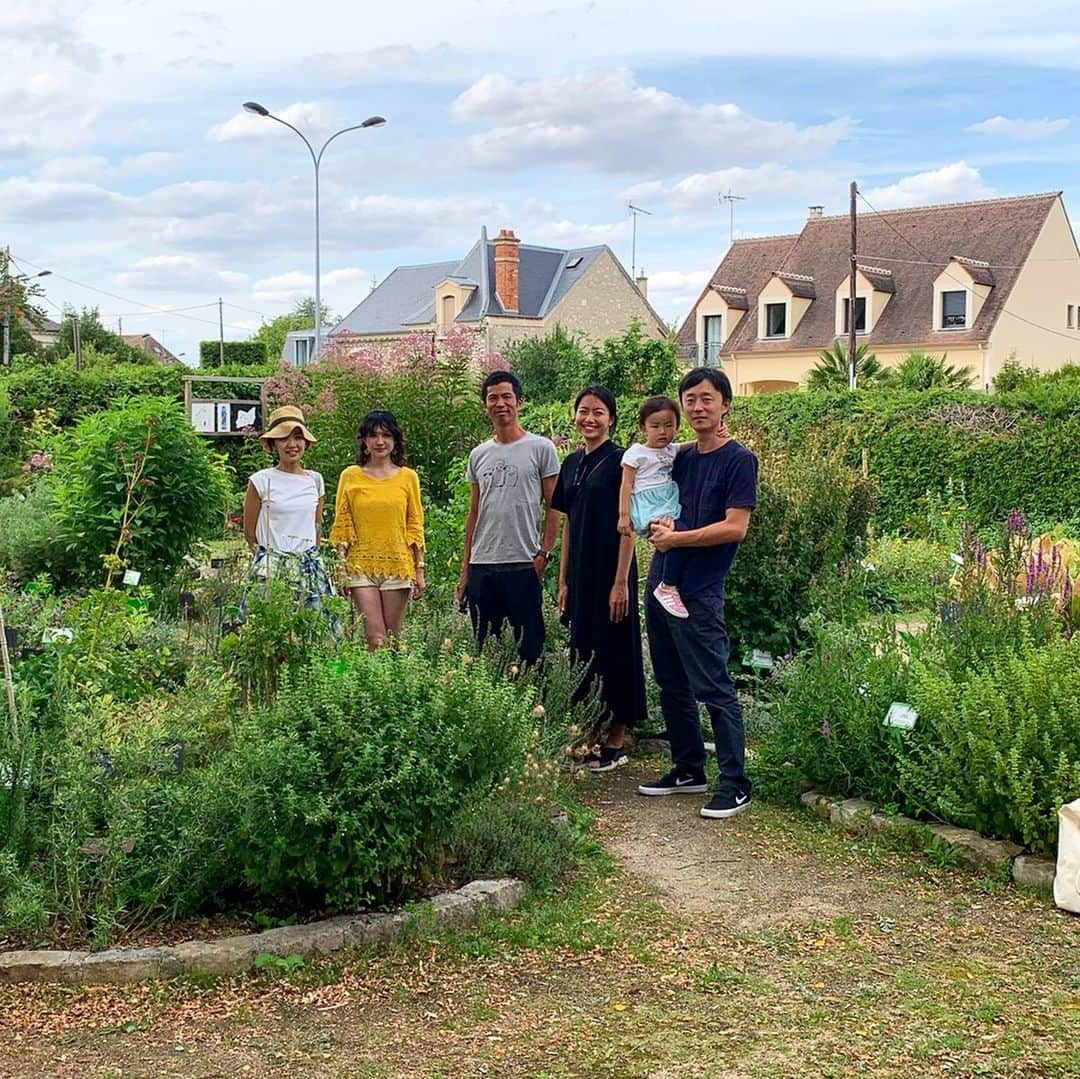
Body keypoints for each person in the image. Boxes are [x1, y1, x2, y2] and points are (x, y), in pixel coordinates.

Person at [636, 368, 758, 820]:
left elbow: (735, 527)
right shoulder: (683, 457)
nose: (697, 407)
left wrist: (678, 540)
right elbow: (656, 493)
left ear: (725, 403)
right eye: (690, 400)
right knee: (671, 683)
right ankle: (689, 769)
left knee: (713, 686)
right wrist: (658, 525)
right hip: (662, 581)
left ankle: (735, 783)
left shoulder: (739, 460)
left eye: (707, 399)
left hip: (699, 591)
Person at [553, 385, 647, 771]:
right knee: (584, 649)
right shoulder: (572, 463)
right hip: (580, 571)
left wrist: (621, 581)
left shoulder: (622, 461)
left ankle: (616, 739)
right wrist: (562, 580)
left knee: (615, 649)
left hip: (612, 569)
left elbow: (629, 524)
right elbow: (568, 525)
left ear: (611, 419)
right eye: (583, 411)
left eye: (598, 412)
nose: (589, 418)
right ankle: (590, 733)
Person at [455, 370, 559, 666]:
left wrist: (544, 553)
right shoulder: (479, 454)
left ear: (519, 402)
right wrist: (465, 570)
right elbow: (474, 512)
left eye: (506, 397)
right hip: (482, 565)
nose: (500, 403)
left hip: (523, 563)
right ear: (485, 405)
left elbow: (554, 505)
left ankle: (534, 710)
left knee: (530, 652)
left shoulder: (541, 448)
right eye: (492, 398)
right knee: (486, 651)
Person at [330, 410, 425, 650]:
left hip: (397, 566)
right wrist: (341, 567)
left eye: (386, 435)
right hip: (360, 567)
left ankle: (392, 688)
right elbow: (342, 523)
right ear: (364, 441)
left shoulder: (408, 477)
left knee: (392, 641)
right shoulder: (350, 476)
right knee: (375, 639)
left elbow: (415, 523)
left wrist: (419, 568)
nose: (380, 441)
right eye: (373, 436)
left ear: (395, 440)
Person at [242, 404, 336, 613]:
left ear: (306, 442)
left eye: (297, 437)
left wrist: (314, 553)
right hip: (272, 567)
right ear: (273, 444)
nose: (292, 444)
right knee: (270, 628)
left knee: (313, 629)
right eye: (284, 438)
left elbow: (316, 525)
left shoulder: (315, 480)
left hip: (308, 565)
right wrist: (267, 561)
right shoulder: (261, 480)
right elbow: (249, 533)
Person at [618, 395, 689, 620]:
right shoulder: (636, 453)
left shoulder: (670, 450)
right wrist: (623, 516)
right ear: (643, 428)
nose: (662, 432)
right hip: (647, 505)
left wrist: (716, 435)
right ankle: (667, 585)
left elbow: (691, 445)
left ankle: (668, 583)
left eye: (669, 425)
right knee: (673, 537)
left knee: (677, 537)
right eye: (655, 426)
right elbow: (626, 484)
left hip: (666, 501)